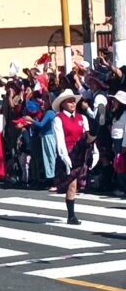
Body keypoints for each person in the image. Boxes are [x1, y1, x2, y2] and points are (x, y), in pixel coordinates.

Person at [52, 89, 99, 225]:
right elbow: (59, 140)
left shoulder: (81, 118)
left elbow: (86, 134)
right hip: (69, 153)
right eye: (69, 101)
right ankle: (71, 216)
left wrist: (94, 150)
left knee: (78, 185)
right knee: (72, 185)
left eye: (74, 100)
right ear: (63, 104)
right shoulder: (58, 119)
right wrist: (64, 157)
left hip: (82, 151)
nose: (73, 103)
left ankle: (98, 126)